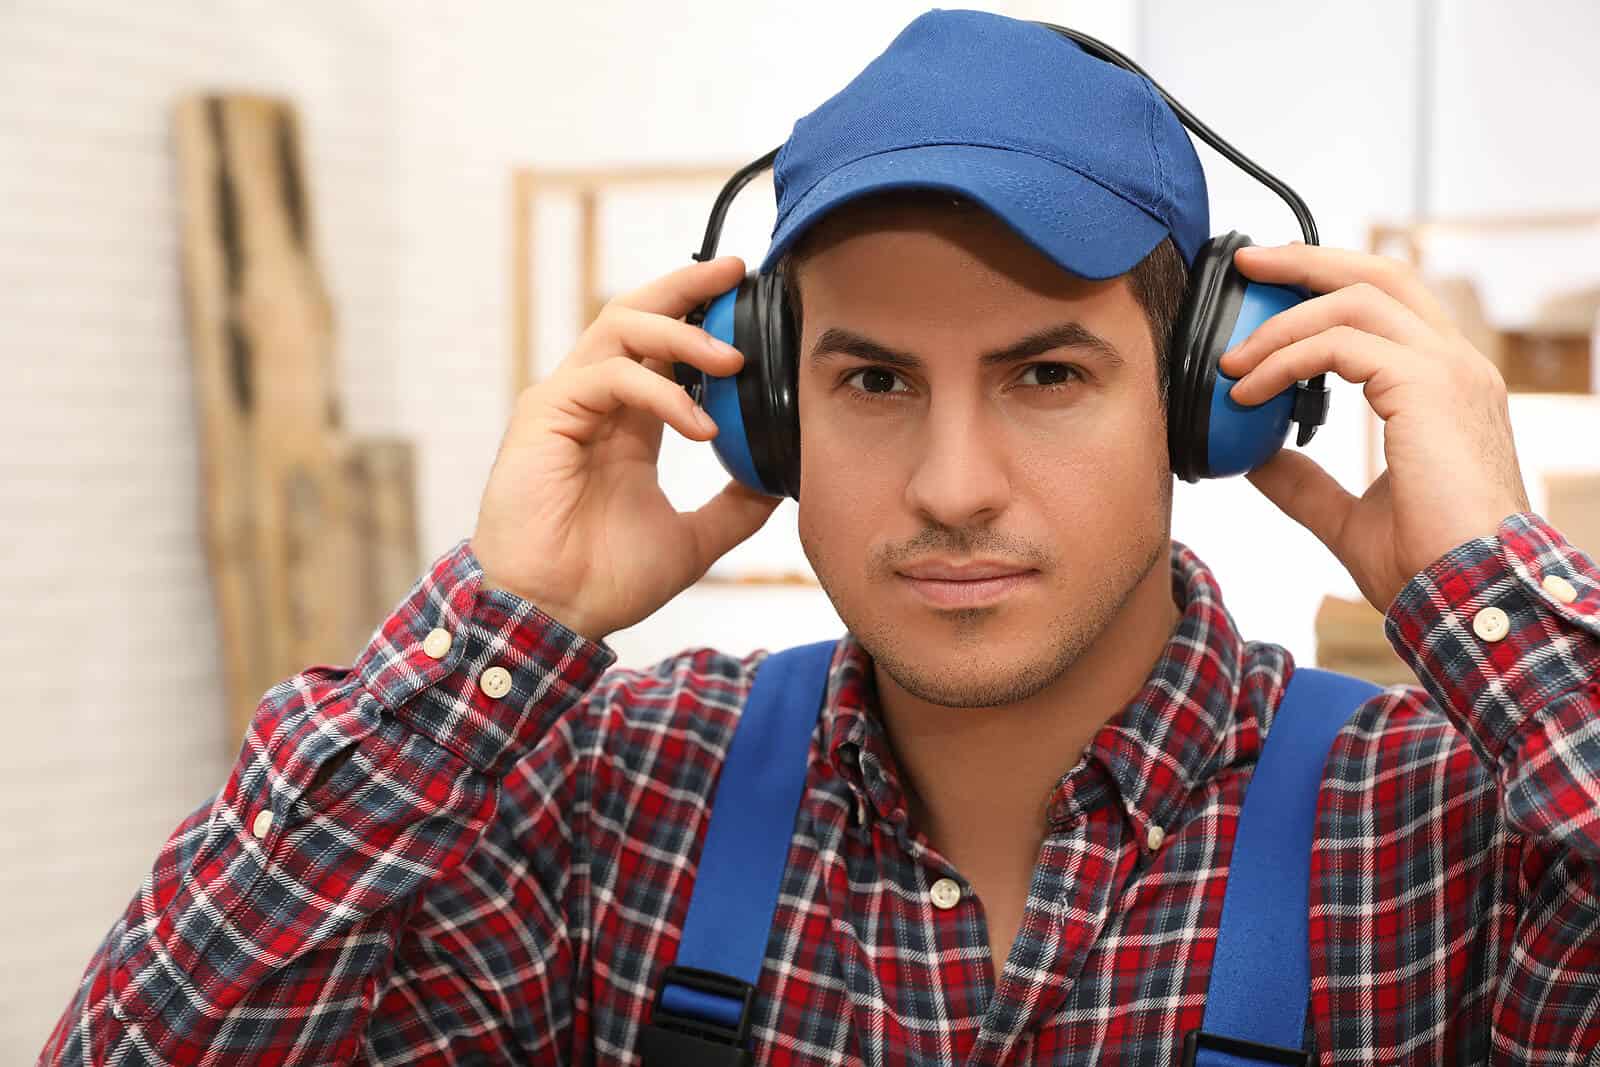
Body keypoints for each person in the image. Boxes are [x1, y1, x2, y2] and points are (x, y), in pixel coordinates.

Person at [43, 10, 1600, 1065]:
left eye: (1047, 374)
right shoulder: (611, 799)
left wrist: (1492, 597)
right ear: (764, 411)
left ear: (1215, 404)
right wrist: (497, 627)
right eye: (870, 381)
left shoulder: (1441, 827)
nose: (950, 484)